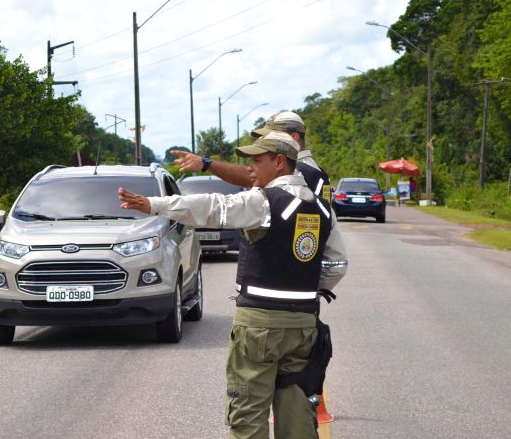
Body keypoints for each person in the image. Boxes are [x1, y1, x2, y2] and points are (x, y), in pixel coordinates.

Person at [119, 132, 348, 438]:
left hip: (258, 327)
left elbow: (214, 208)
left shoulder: (263, 202)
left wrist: (154, 204)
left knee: (248, 417)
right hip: (304, 325)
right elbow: (336, 265)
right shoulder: (322, 209)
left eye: (256, 161)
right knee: (298, 419)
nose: (250, 169)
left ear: (280, 162)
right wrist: (303, 285)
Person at [171, 110, 332, 201]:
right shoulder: (312, 169)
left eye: (272, 135)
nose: (265, 140)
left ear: (295, 138)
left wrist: (207, 164)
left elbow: (249, 177)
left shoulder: (301, 171)